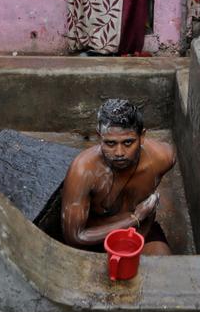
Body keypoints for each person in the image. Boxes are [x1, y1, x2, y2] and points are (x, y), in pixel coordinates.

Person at [61, 99, 175, 255]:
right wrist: (135, 218)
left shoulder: (163, 158)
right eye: (110, 143)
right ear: (99, 136)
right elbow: (75, 236)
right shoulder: (83, 171)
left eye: (128, 142)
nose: (119, 153)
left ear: (142, 137)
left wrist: (139, 224)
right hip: (97, 239)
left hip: (140, 232)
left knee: (164, 266)